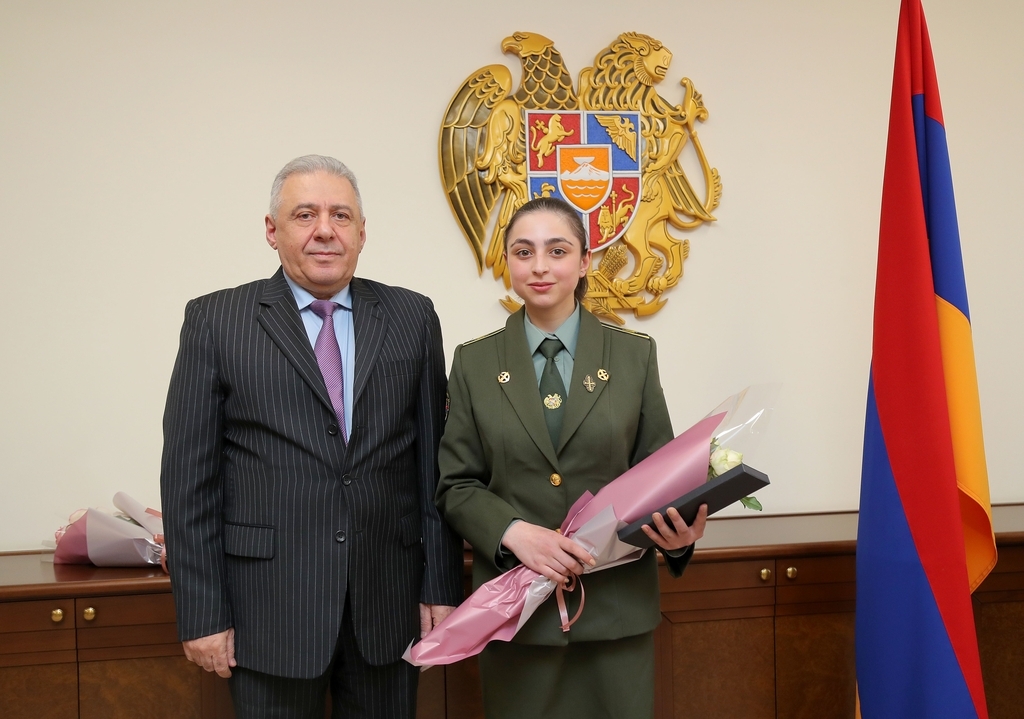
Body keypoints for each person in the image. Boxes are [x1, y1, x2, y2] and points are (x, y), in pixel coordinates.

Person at [160, 154, 464, 719]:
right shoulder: (216, 320)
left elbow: (434, 469)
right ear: (272, 230)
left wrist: (441, 587)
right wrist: (202, 614)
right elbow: (189, 483)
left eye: (340, 215)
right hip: (268, 612)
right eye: (305, 214)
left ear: (362, 232)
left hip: (388, 609)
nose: (325, 229)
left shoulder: (412, 317)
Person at [435, 196, 708, 719]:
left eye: (557, 251)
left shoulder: (633, 355)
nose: (539, 266)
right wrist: (513, 531)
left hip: (617, 617)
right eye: (523, 252)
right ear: (507, 263)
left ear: (584, 262)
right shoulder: (474, 362)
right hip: (518, 619)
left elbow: (662, 475)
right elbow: (456, 485)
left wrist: (680, 536)